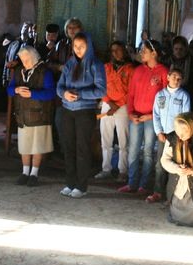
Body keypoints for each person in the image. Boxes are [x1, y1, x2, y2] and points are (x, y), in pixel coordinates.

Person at [56, 32, 106, 198]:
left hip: (85, 112)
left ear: (89, 47)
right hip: (67, 110)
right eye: (75, 46)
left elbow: (101, 90)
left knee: (82, 149)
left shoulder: (96, 64)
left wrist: (80, 94)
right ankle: (70, 183)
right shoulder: (70, 63)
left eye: (82, 47)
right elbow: (59, 86)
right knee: (68, 147)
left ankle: (81, 186)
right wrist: (64, 93)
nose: (78, 50)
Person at [118, 40, 168, 195]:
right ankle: (132, 182)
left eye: (144, 51)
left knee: (148, 151)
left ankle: (143, 185)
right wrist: (130, 113)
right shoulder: (138, 70)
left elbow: (165, 99)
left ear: (154, 53)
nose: (141, 53)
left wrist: (151, 116)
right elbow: (131, 94)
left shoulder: (163, 72)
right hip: (136, 117)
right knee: (133, 149)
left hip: (152, 119)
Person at [8, 45, 56, 187]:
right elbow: (9, 90)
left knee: (37, 146)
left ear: (34, 57)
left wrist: (32, 94)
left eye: (27, 59)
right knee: (24, 145)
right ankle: (25, 172)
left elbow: (51, 93)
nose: (24, 62)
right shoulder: (19, 71)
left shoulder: (45, 72)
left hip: (40, 115)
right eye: (22, 60)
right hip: (23, 115)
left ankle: (34, 173)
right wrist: (16, 90)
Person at [150, 67, 191, 202]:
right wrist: (159, 132)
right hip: (163, 135)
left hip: (178, 136)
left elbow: (186, 116)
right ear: (168, 77)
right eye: (174, 77)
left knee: (175, 166)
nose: (176, 80)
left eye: (179, 79)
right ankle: (157, 191)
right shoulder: (160, 95)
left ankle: (172, 195)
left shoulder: (184, 96)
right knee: (160, 164)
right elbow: (156, 115)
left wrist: (181, 134)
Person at [97, 40, 135, 181]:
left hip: (123, 106)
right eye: (113, 50)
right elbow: (100, 86)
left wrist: (117, 105)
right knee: (105, 138)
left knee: (123, 140)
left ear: (124, 51)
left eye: (118, 49)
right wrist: (108, 102)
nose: (115, 53)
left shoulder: (130, 69)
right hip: (107, 104)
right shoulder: (105, 67)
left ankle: (123, 170)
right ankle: (106, 169)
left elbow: (131, 91)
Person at [2, 21, 33, 86]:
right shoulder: (13, 44)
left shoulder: (31, 47)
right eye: (25, 27)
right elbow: (6, 60)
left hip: (21, 80)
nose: (25, 30)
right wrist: (4, 77)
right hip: (9, 78)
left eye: (28, 29)